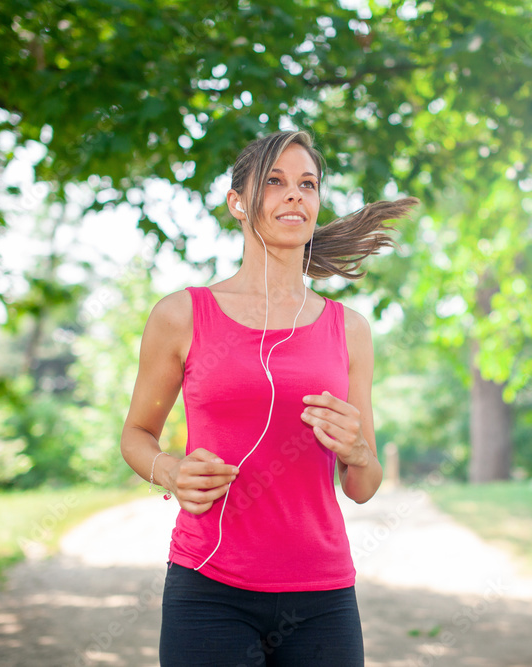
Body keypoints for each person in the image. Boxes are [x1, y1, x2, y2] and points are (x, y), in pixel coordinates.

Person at [120, 130, 417, 666]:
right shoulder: (181, 315)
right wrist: (170, 469)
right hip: (208, 586)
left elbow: (364, 486)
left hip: (321, 596)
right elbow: (136, 435)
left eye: (307, 184)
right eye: (275, 182)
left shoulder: (348, 329)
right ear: (237, 202)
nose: (295, 194)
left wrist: (357, 453)